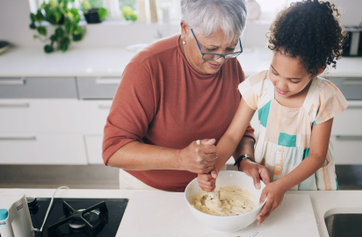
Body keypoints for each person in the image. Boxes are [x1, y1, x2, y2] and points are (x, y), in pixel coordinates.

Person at [198, 0, 348, 224]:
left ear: (317, 71)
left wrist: (283, 185)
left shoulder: (322, 97)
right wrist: (212, 170)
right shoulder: (258, 86)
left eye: (294, 80)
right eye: (275, 72)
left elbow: (317, 156)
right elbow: (232, 135)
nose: (281, 85)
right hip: (267, 183)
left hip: (307, 187)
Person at [102, 0, 268, 192]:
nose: (221, 60)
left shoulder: (231, 65)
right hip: (150, 191)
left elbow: (239, 130)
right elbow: (114, 150)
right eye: (211, 49)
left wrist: (244, 159)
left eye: (230, 48)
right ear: (186, 28)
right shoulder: (146, 68)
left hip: (209, 187)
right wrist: (180, 158)